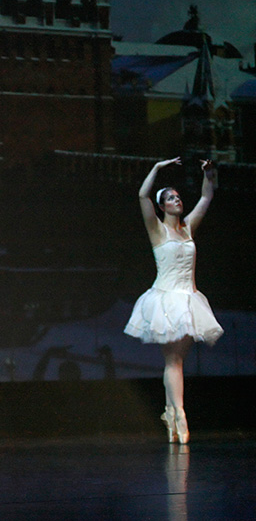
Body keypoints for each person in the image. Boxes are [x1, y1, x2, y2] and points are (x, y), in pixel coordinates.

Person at [124, 157, 222, 444]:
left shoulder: (188, 227)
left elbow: (207, 195)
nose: (177, 200)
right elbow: (142, 195)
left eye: (178, 197)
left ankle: (172, 412)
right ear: (162, 205)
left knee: (178, 359)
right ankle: (178, 413)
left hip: (189, 299)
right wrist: (156, 169)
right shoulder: (157, 229)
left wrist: (209, 172)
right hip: (165, 300)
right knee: (172, 358)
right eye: (170, 198)